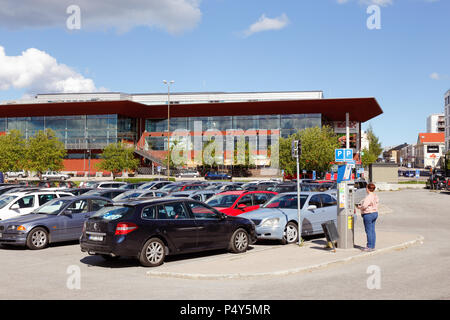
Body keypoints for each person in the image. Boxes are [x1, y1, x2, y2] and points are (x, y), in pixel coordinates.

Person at [357, 183, 379, 252]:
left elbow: (364, 206)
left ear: (368, 189)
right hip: (375, 213)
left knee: (368, 231)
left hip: (368, 214)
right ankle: (372, 246)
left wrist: (359, 207)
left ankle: (369, 246)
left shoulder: (368, 197)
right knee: (372, 230)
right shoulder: (375, 196)